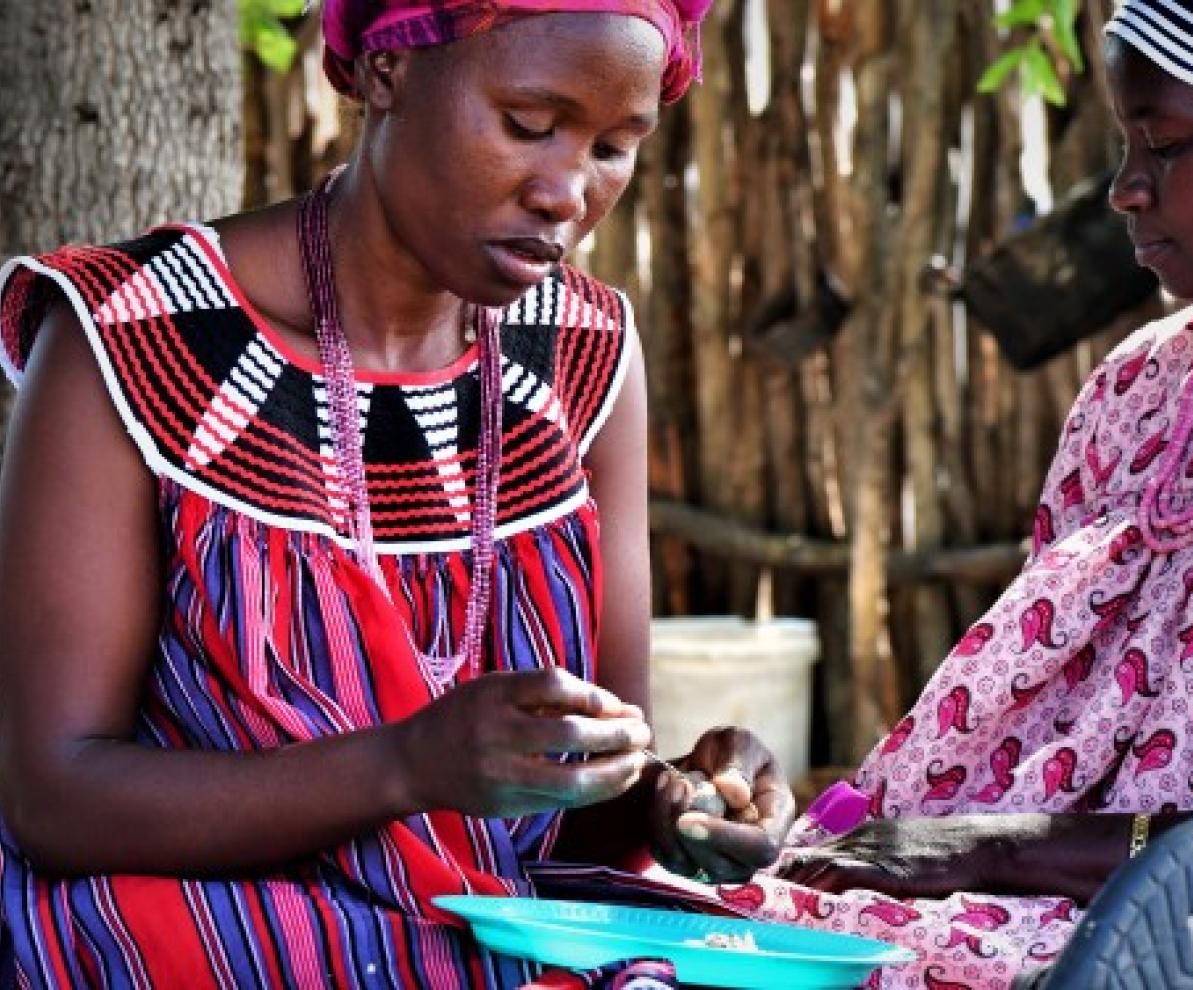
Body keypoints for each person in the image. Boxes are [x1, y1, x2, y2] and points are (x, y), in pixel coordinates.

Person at [0, 2, 795, 987]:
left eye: (614, 146)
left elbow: (585, 814)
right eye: (529, 124)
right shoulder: (133, 344)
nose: (567, 192)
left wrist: (682, 801)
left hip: (488, 932)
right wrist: (407, 766)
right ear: (386, 70)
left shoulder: (580, 360)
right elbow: (53, 797)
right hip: (208, 926)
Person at [693, 1, 1193, 988]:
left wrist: (1002, 849)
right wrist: (948, 847)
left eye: (1165, 145)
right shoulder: (1136, 389)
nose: (1124, 190)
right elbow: (1046, 706)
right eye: (1125, 146)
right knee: (718, 950)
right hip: (1031, 879)